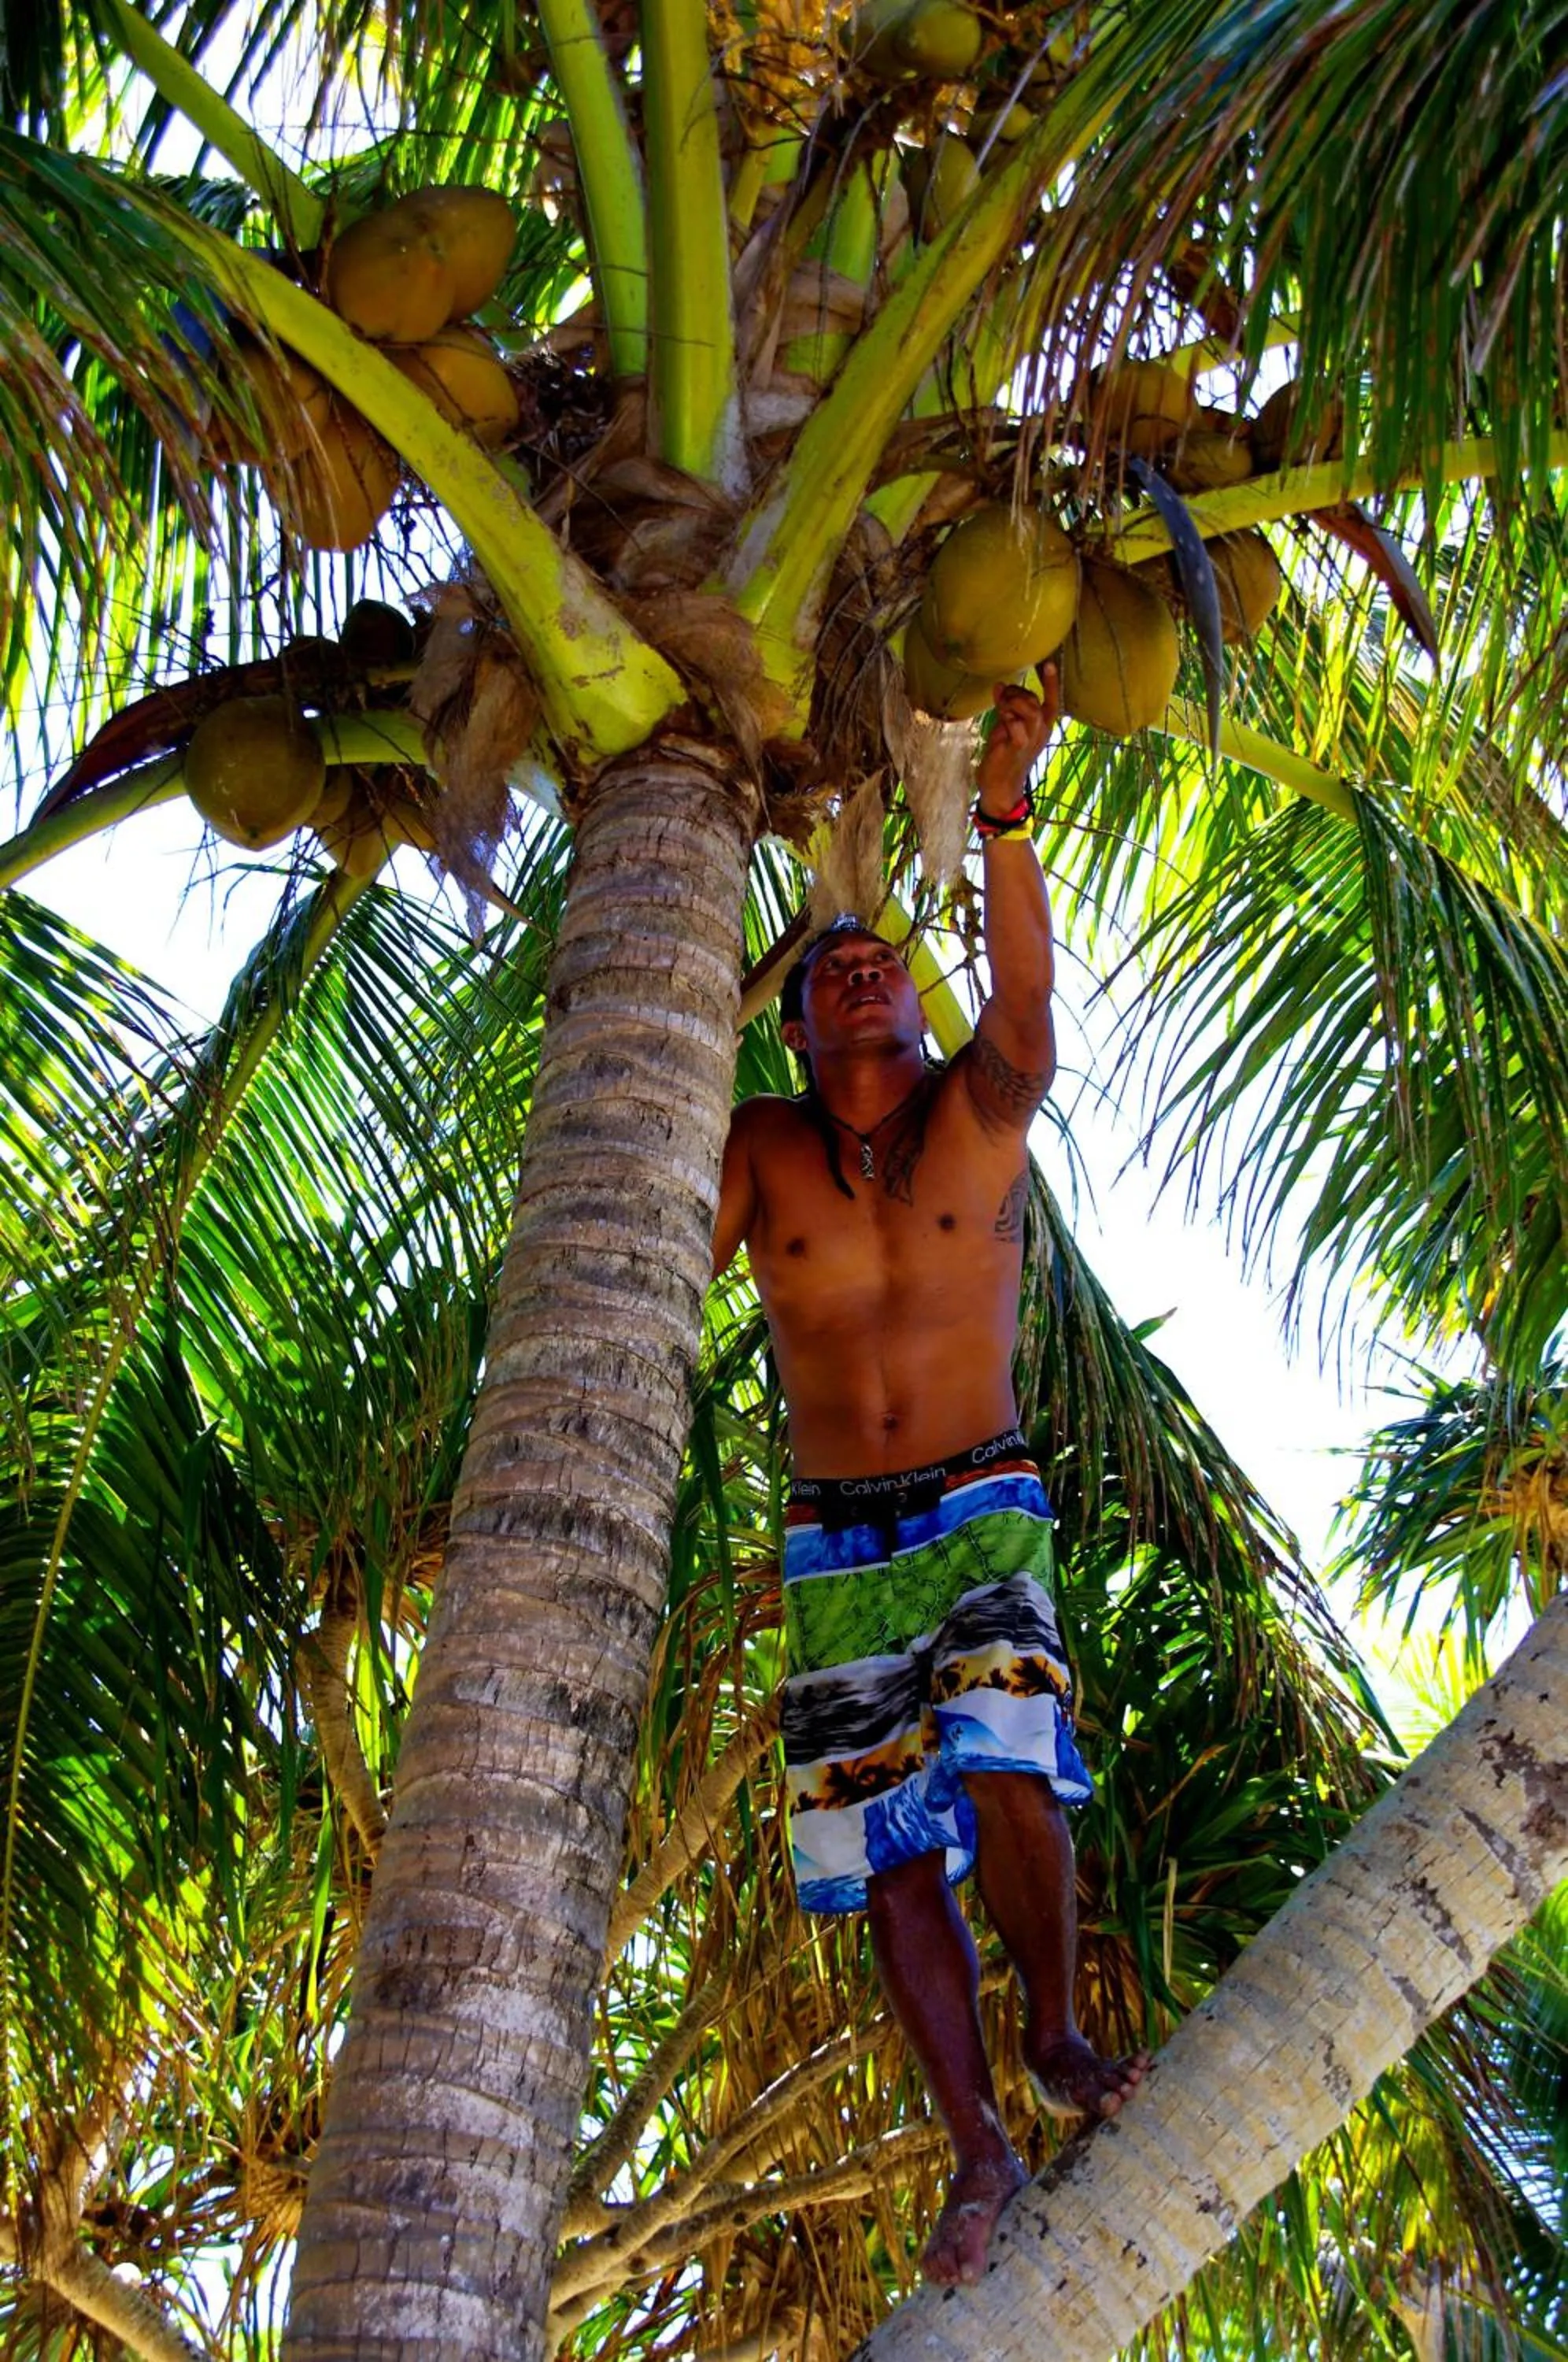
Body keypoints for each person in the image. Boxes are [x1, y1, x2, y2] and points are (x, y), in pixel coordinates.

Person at [710, 668, 1147, 2288]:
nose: (867, 978)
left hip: (978, 1492)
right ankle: (977, 2145)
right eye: (836, 971)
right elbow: (648, 1274)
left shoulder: (979, 1113)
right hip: (834, 1537)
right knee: (885, 1840)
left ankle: (1056, 2029)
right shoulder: (761, 1148)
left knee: (1009, 1750)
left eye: (889, 968)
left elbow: (1025, 1014)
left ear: (911, 1012)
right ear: (802, 1021)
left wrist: (1011, 817)